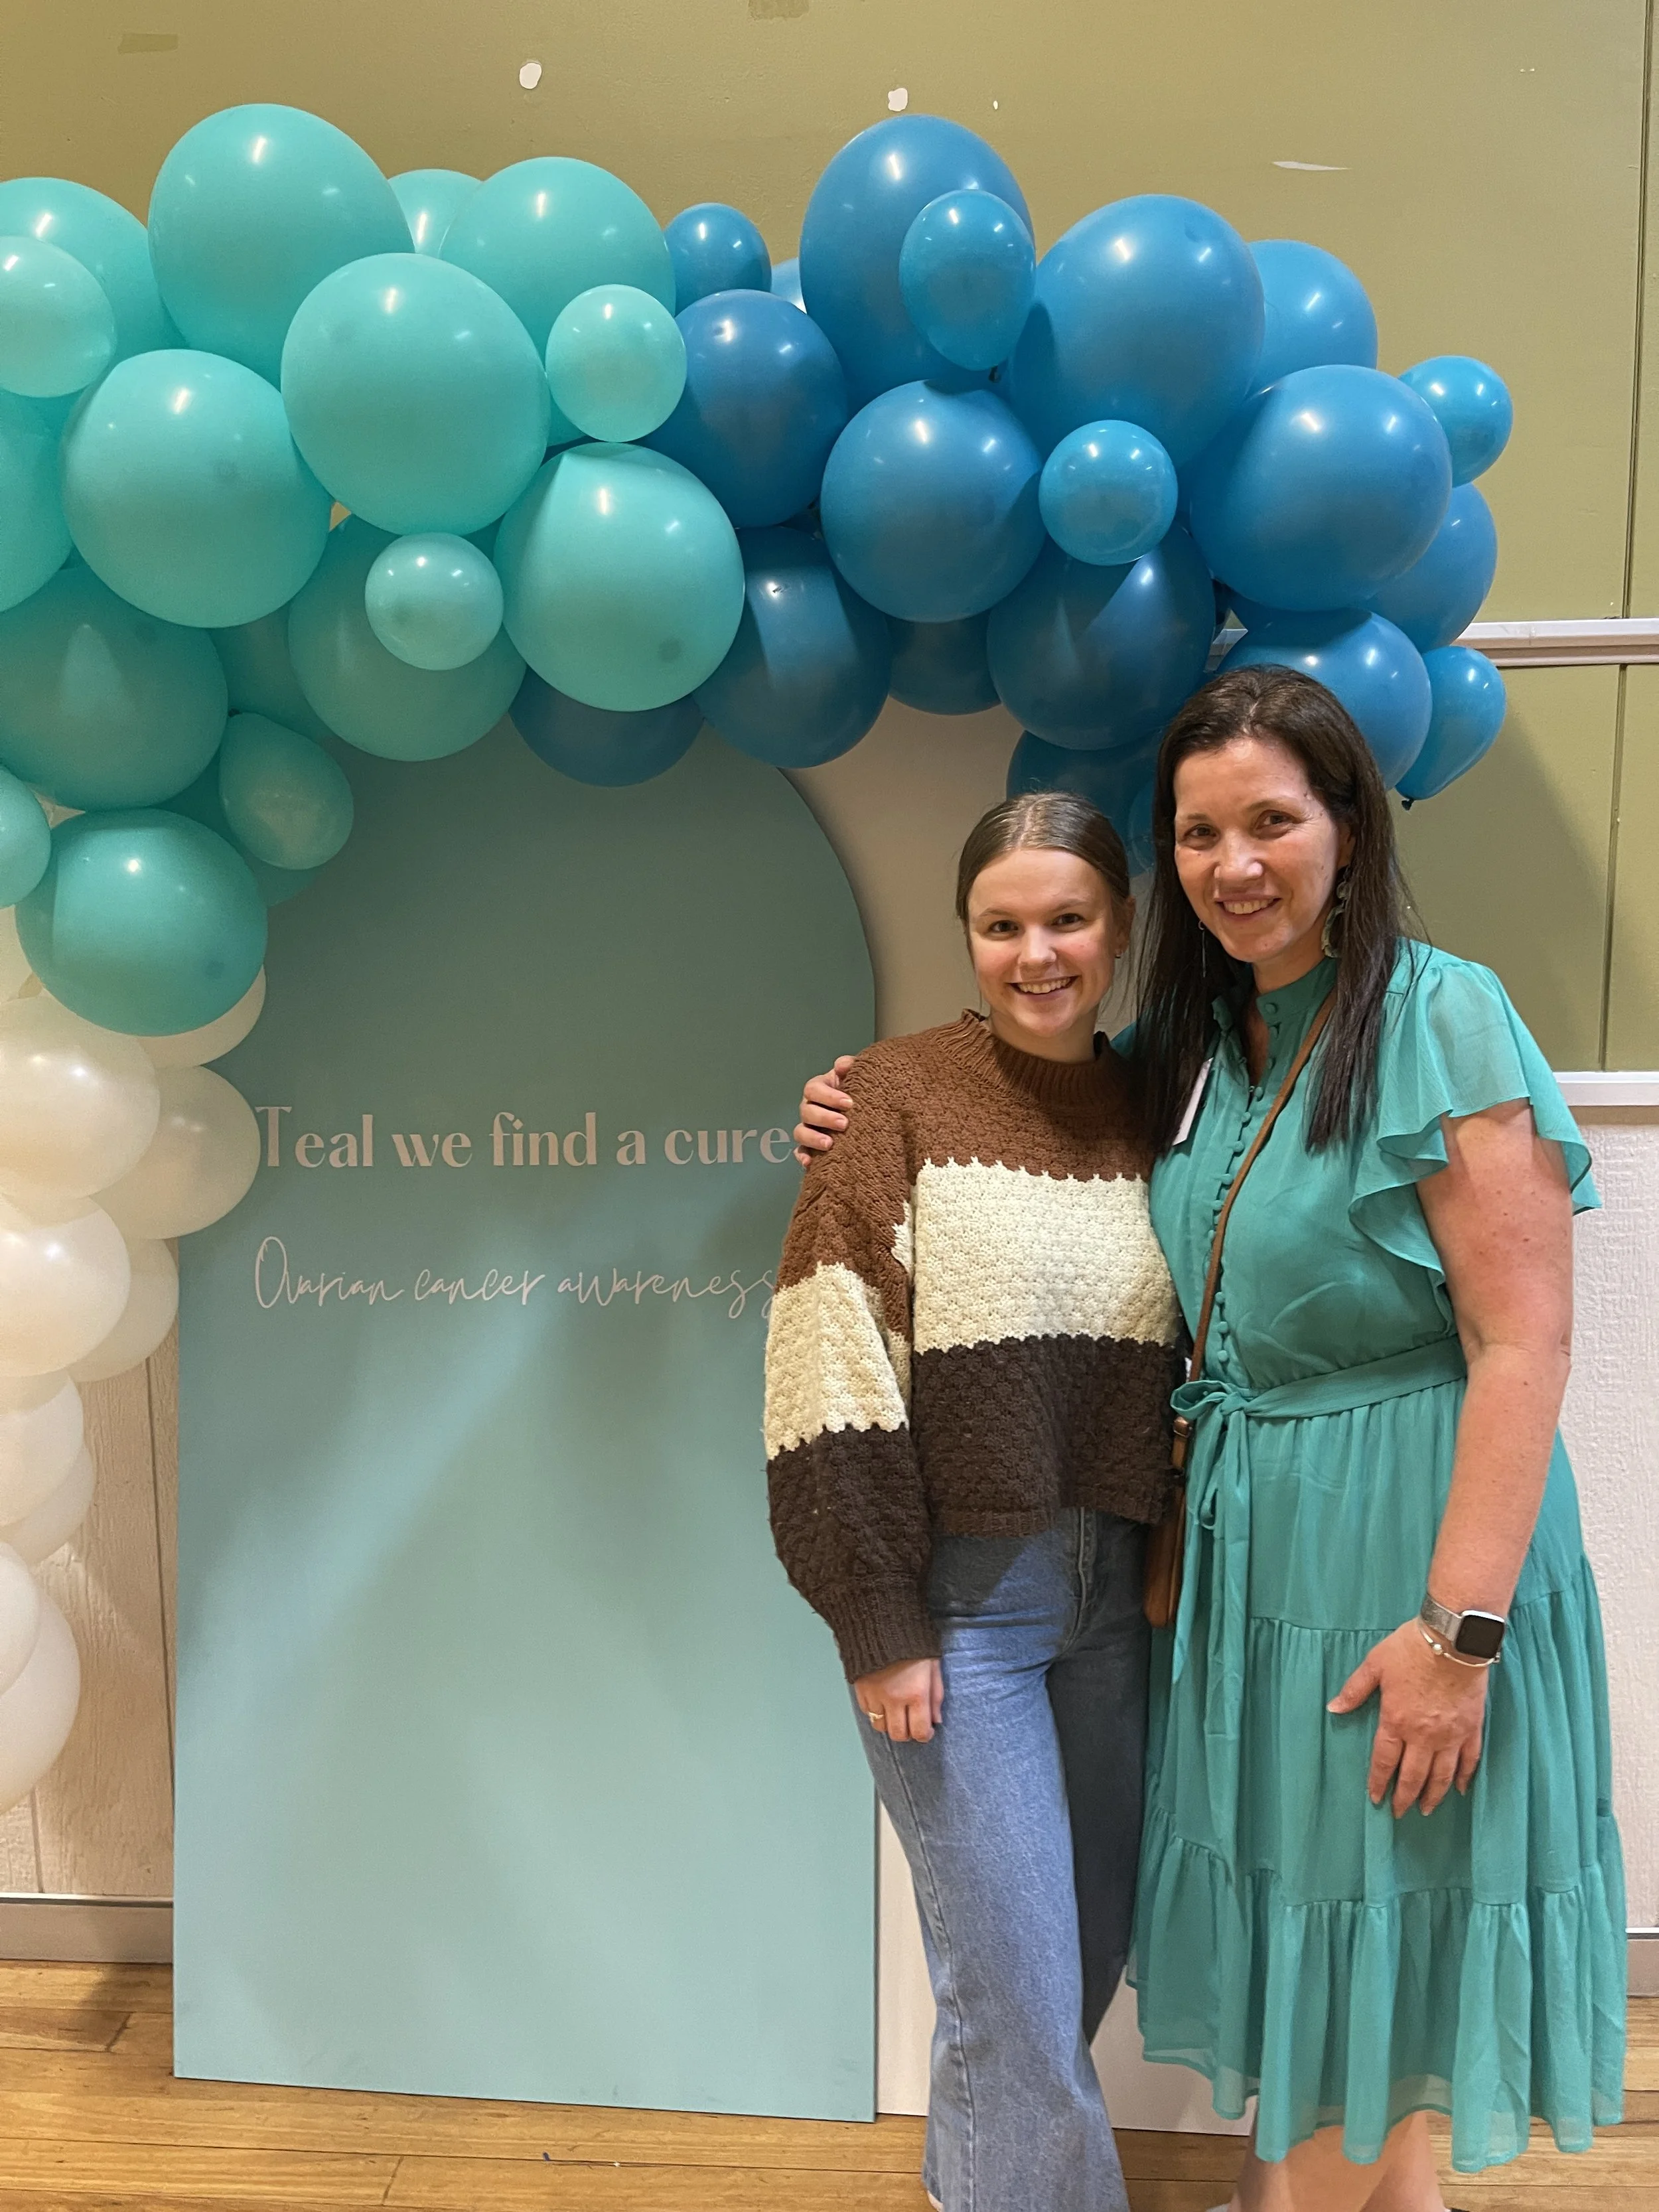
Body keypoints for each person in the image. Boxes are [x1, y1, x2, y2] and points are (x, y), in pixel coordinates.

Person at [794, 665, 1624, 2212]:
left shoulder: (1440, 1012)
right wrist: (861, 1104)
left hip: (1404, 1544)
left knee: (1373, 1902)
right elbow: (1027, 1149)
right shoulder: (1205, 1049)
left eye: (1269, 821)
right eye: (1195, 831)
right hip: (1242, 1558)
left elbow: (1522, 1339)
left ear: (1347, 832)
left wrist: (1459, 1630)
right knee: (1321, 1915)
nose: (1233, 861)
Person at [766, 790, 1184, 2212]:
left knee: (1072, 1961)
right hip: (959, 1606)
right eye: (999, 924)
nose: (1035, 952)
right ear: (967, 936)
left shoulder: (1169, 1105)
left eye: (1066, 918)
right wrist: (875, 1611)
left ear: (1118, 928)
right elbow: (826, 1354)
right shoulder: (888, 1097)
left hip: (1115, 1599)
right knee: (1009, 1994)